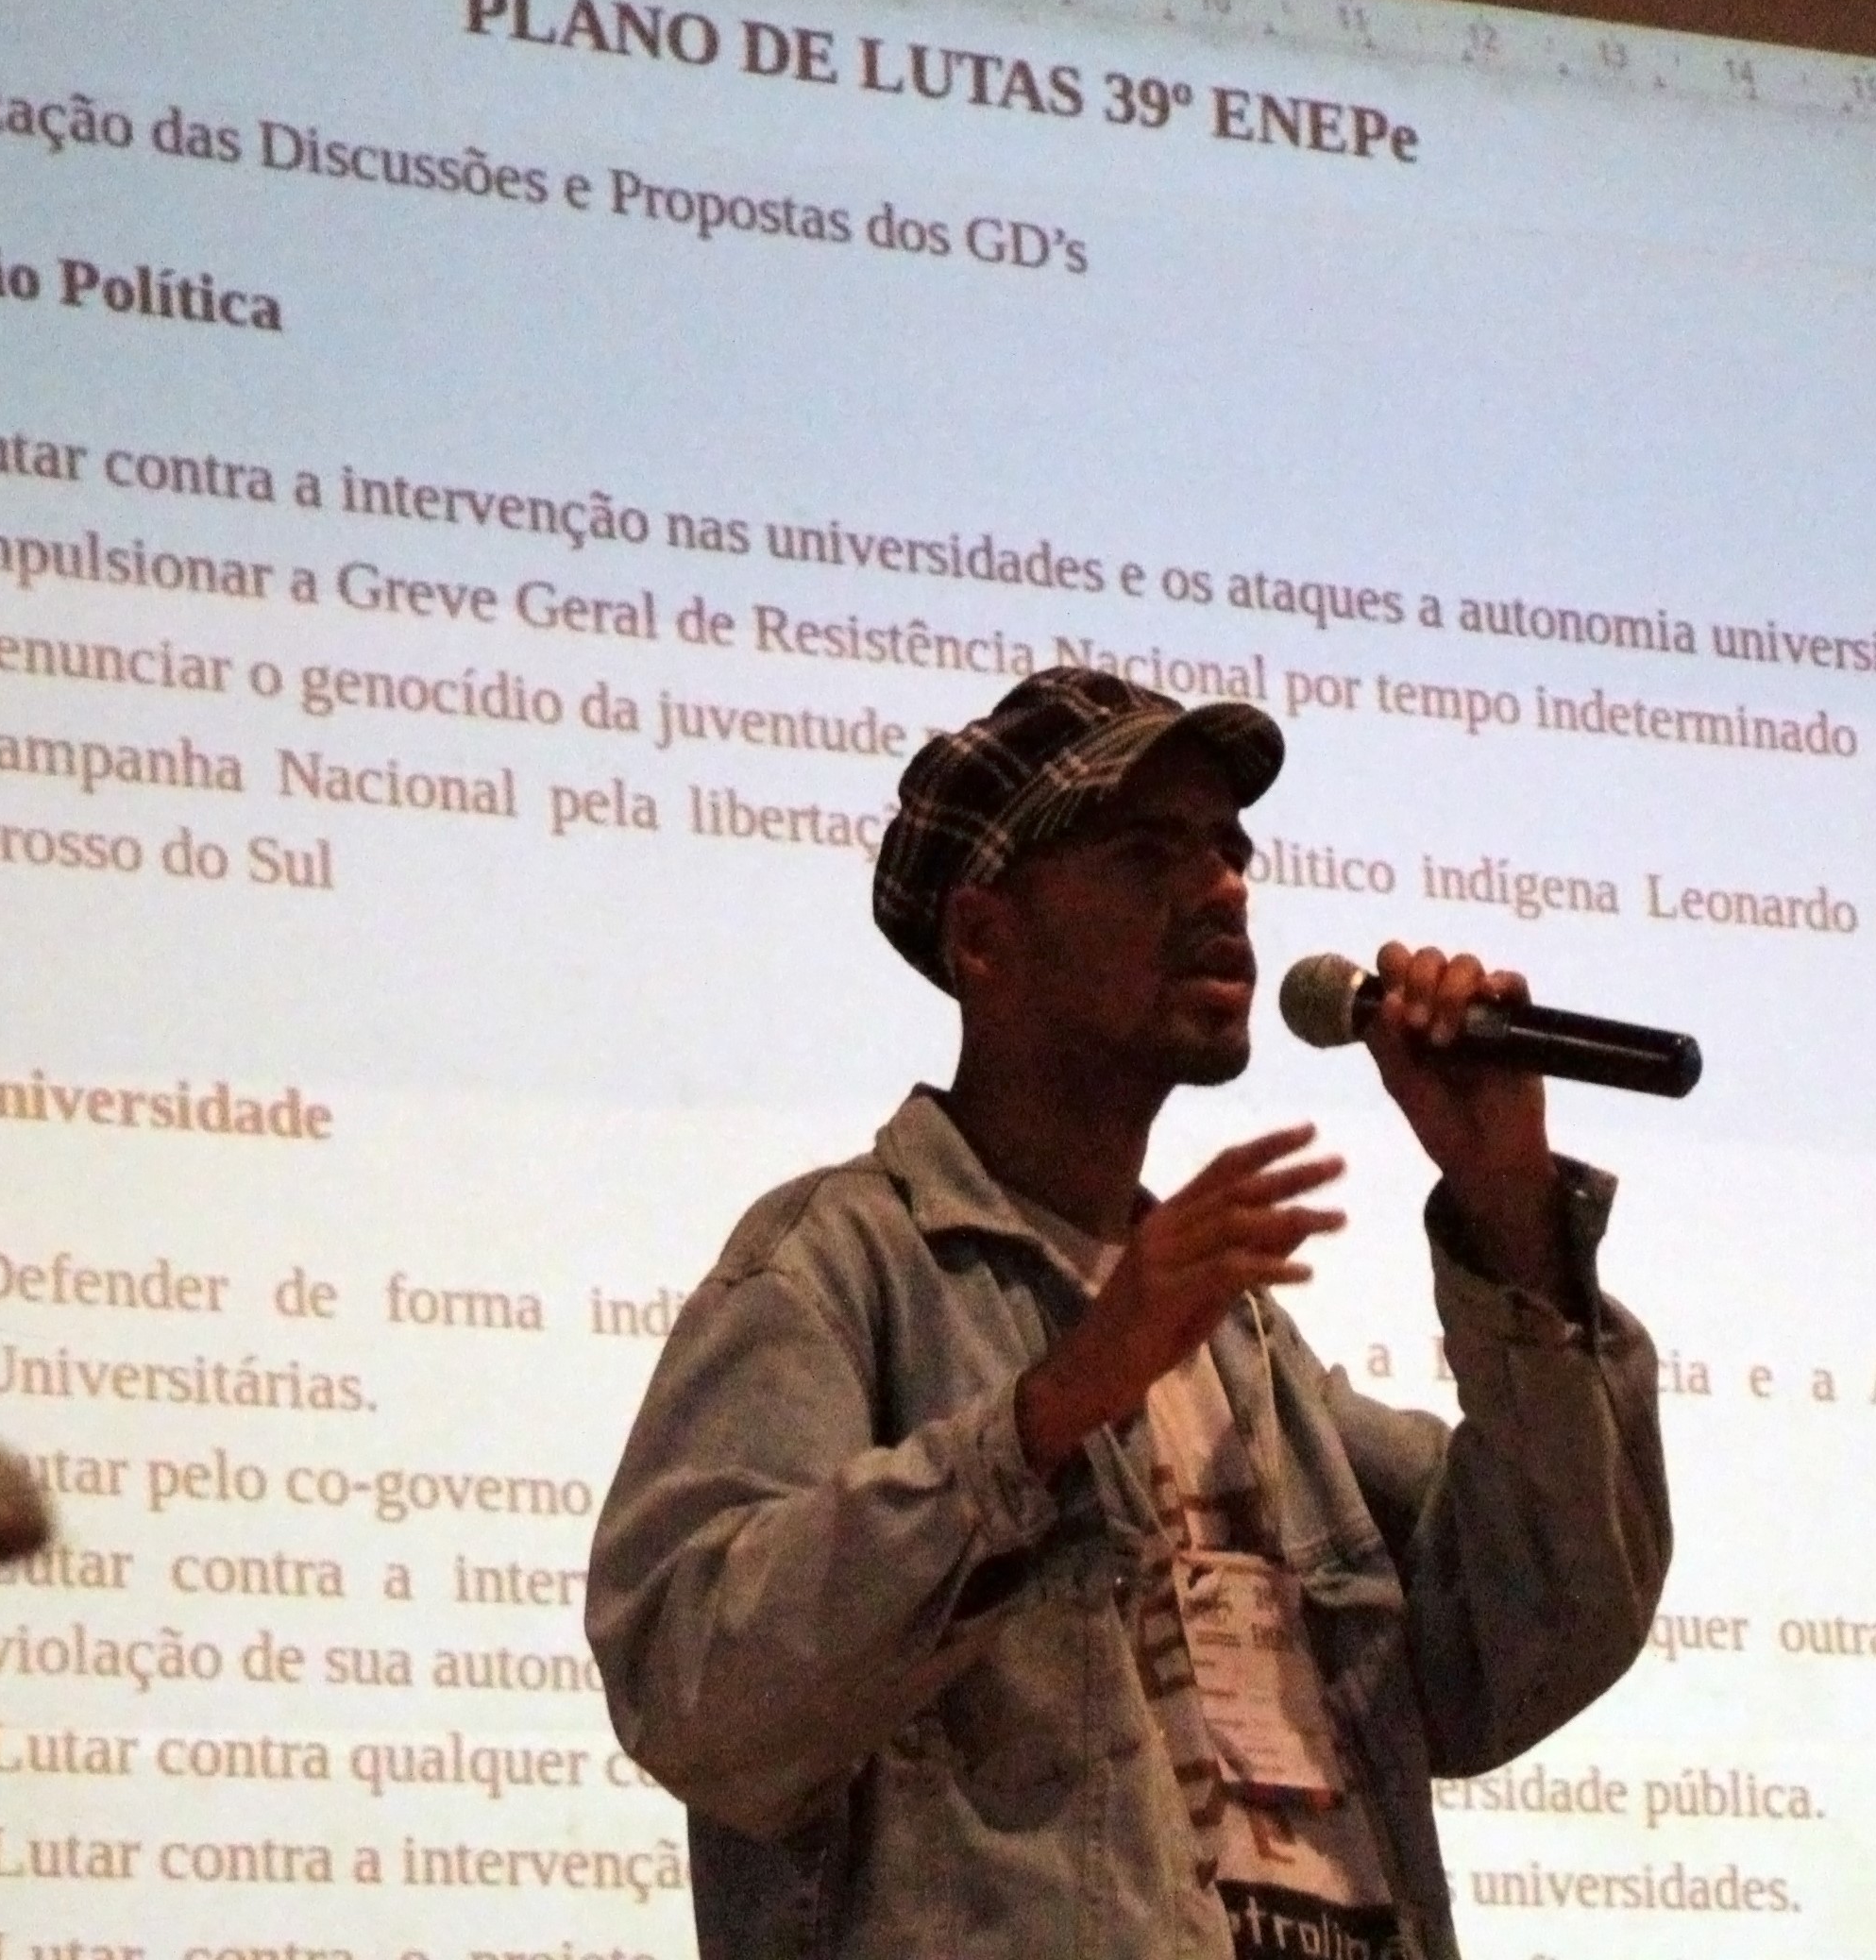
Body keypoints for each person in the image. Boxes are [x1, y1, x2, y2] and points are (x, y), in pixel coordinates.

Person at [588, 666, 1673, 1960]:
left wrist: (1510, 1213)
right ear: (985, 936)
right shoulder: (839, 1266)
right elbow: (695, 1689)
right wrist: (1043, 1418)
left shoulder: (1241, 1342)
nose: (1223, 890)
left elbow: (1531, 1636)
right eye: (1148, 854)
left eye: (1230, 851)